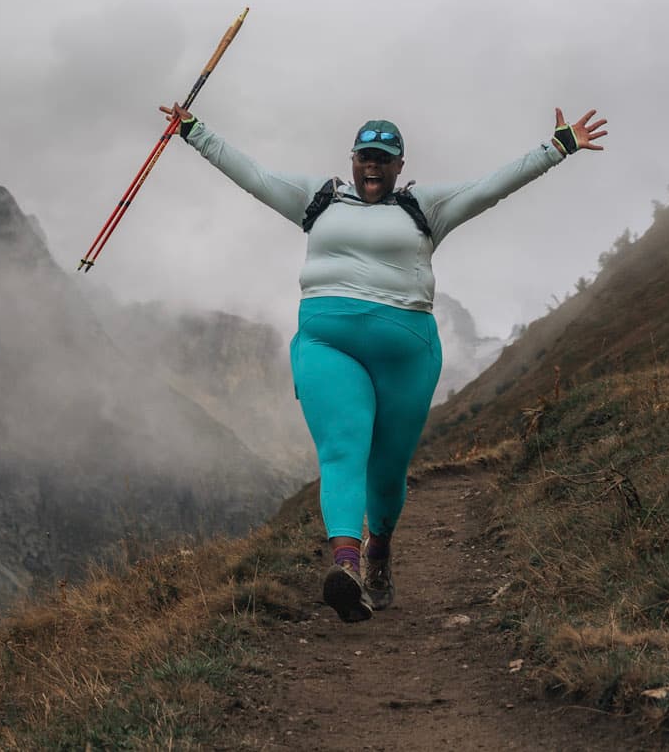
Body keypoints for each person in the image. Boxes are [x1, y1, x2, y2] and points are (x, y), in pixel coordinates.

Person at [158, 101, 608, 622]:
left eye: (384, 159)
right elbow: (254, 175)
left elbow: (492, 186)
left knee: (389, 470)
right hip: (328, 343)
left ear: (399, 165)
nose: (372, 167)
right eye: (365, 157)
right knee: (343, 449)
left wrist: (558, 147)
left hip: (407, 353)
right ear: (352, 159)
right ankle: (346, 566)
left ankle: (379, 553)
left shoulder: (426, 207)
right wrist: (195, 132)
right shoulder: (318, 199)